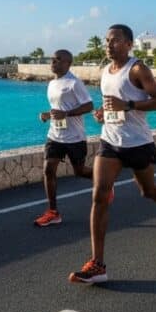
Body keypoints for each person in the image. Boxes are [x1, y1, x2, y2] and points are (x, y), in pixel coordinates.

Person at [69, 25, 156, 284]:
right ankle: (97, 265)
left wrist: (128, 105)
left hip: (138, 143)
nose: (109, 45)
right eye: (107, 41)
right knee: (99, 195)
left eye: (115, 40)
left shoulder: (137, 69)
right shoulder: (105, 72)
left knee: (148, 191)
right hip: (110, 141)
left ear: (129, 44)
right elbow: (111, 103)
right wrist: (102, 113)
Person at [35, 49, 95, 227]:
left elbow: (89, 106)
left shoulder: (75, 83)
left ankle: (103, 181)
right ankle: (53, 212)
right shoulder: (52, 83)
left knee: (79, 171)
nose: (53, 62)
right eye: (52, 59)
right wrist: (48, 115)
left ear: (68, 63)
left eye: (58, 60)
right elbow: (58, 108)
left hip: (74, 137)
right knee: (48, 170)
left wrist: (66, 114)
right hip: (55, 135)